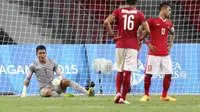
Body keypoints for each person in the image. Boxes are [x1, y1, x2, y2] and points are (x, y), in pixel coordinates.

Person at [104, 0, 150, 104]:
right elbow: (147, 30)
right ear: (136, 2)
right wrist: (141, 39)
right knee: (128, 72)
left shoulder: (118, 11)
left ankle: (117, 93)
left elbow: (106, 22)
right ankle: (123, 98)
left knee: (119, 70)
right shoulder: (139, 14)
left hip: (120, 44)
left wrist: (112, 36)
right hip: (132, 46)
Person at [21, 45, 94, 97]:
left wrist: (59, 78)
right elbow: (27, 78)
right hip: (44, 89)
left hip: (55, 87)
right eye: (40, 53)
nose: (42, 55)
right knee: (47, 92)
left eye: (44, 53)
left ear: (46, 53)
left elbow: (59, 74)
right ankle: (62, 96)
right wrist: (24, 92)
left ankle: (87, 93)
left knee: (66, 81)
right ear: (36, 54)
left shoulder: (52, 62)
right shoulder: (33, 65)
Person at [139, 2, 176, 101]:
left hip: (165, 54)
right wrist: (148, 44)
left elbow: (173, 32)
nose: (170, 12)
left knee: (169, 74)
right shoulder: (152, 21)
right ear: (163, 9)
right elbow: (140, 29)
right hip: (153, 53)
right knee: (149, 74)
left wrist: (171, 44)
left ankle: (164, 96)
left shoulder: (169, 23)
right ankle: (146, 95)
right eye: (169, 10)